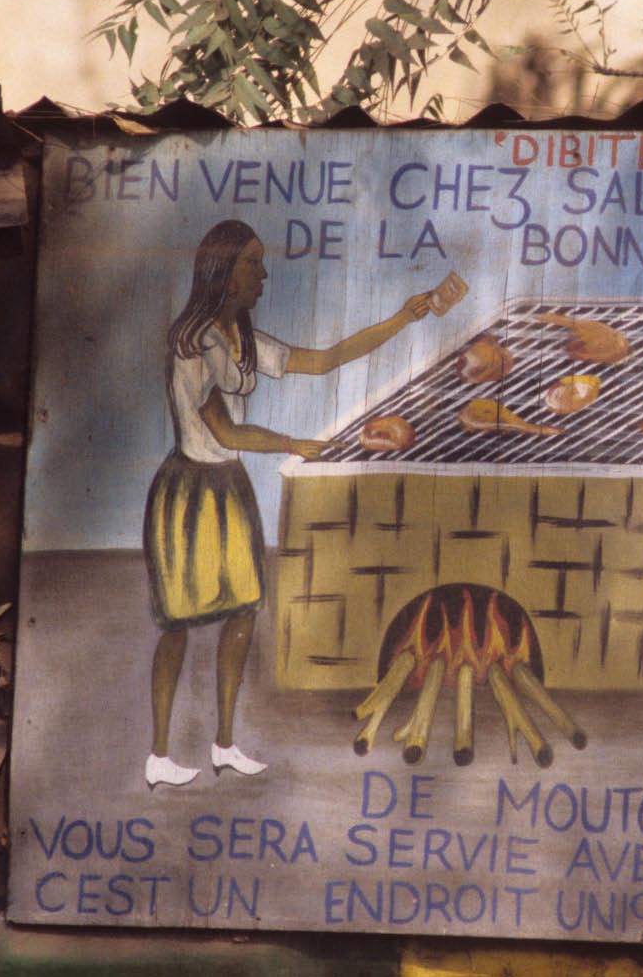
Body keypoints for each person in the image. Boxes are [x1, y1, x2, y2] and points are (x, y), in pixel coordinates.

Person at [143, 219, 432, 787]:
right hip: (190, 491)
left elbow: (323, 360)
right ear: (223, 273)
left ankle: (224, 742)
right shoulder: (192, 341)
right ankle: (158, 753)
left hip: (229, 487)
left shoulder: (241, 339)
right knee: (178, 622)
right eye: (253, 263)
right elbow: (223, 430)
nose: (263, 274)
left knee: (243, 613)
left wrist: (403, 317)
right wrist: (291, 443)